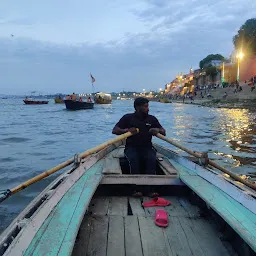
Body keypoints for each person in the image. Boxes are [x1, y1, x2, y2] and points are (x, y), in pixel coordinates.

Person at [112, 97, 166, 197]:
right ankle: (136, 189)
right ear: (137, 107)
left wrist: (158, 130)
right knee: (134, 159)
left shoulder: (152, 119)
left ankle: (150, 190)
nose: (148, 109)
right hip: (131, 148)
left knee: (151, 159)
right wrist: (126, 131)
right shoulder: (128, 118)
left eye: (148, 106)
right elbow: (115, 130)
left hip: (147, 147)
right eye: (145, 106)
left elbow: (164, 132)